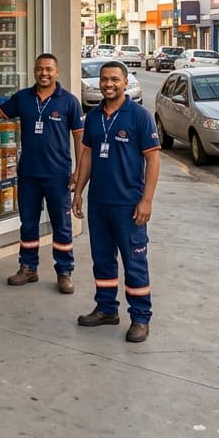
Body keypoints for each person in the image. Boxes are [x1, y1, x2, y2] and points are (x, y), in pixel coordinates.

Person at [0, 53, 83, 293]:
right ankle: (28, 267)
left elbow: (79, 138)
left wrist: (79, 171)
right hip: (29, 174)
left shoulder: (69, 102)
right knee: (28, 223)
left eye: (49, 69)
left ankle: (64, 272)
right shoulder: (23, 98)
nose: (44, 73)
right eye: (40, 69)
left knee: (62, 225)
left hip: (57, 175)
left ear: (57, 72)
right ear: (34, 71)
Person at [71, 60, 160, 343]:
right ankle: (107, 309)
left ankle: (141, 318)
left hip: (129, 205)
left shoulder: (139, 116)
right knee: (102, 260)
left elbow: (153, 160)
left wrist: (146, 201)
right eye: (104, 79)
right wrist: (78, 193)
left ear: (125, 82)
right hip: (99, 203)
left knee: (134, 263)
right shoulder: (93, 118)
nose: (109, 84)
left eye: (114, 80)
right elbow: (86, 156)